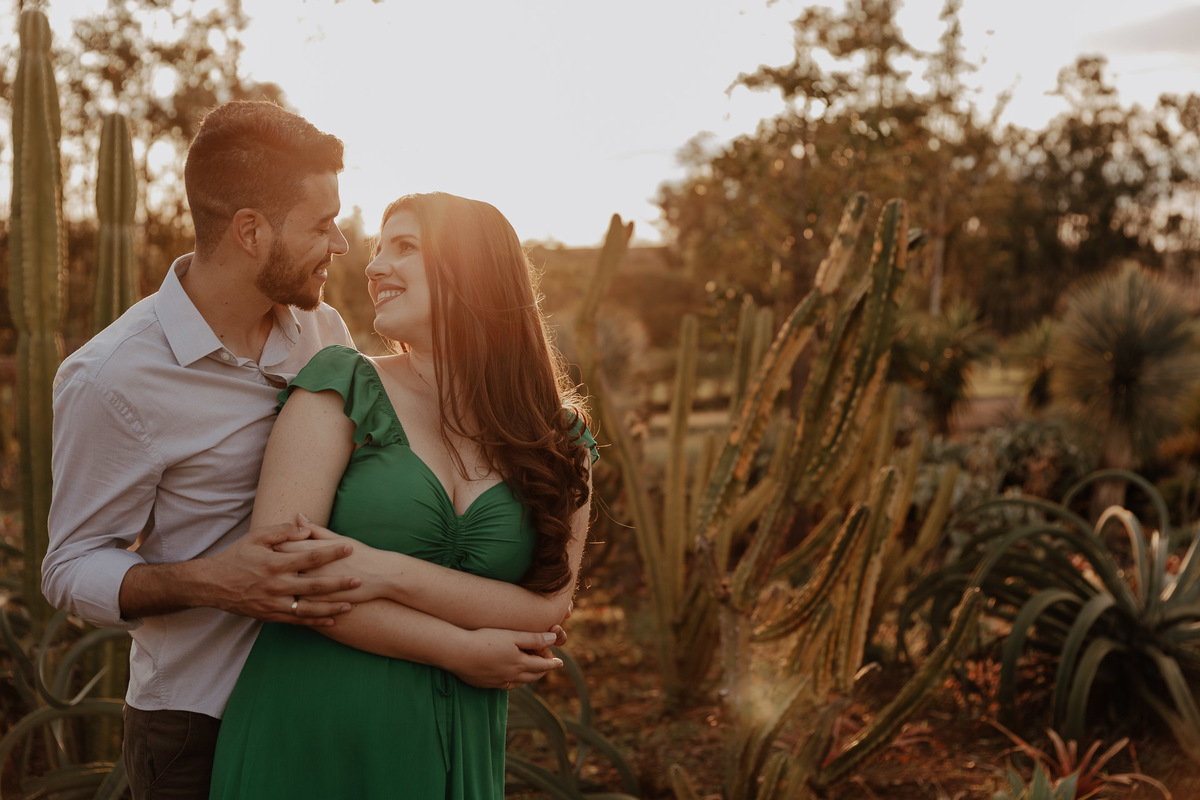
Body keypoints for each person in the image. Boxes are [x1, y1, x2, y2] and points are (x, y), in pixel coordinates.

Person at [42, 104, 564, 800]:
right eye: (322, 226)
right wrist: (211, 581)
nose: (345, 246)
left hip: (348, 688)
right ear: (251, 232)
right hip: (199, 713)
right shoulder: (113, 379)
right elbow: (71, 565)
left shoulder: (325, 332)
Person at [208, 192, 597, 800]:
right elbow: (285, 576)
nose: (373, 266)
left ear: (474, 269)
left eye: (405, 247)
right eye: (378, 248)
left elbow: (545, 607)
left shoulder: (560, 437)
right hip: (316, 731)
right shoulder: (339, 385)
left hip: (457, 738)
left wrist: (383, 571)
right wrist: (462, 648)